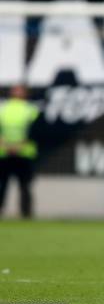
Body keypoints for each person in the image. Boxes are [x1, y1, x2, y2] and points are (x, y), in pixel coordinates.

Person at [0, 85, 40, 219]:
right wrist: (4, 144)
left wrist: (19, 145)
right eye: (15, 90)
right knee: (1, 185)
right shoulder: (3, 108)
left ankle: (26, 214)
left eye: (20, 90)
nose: (17, 93)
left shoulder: (31, 110)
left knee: (25, 185)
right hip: (4, 153)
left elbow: (36, 131)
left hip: (24, 154)